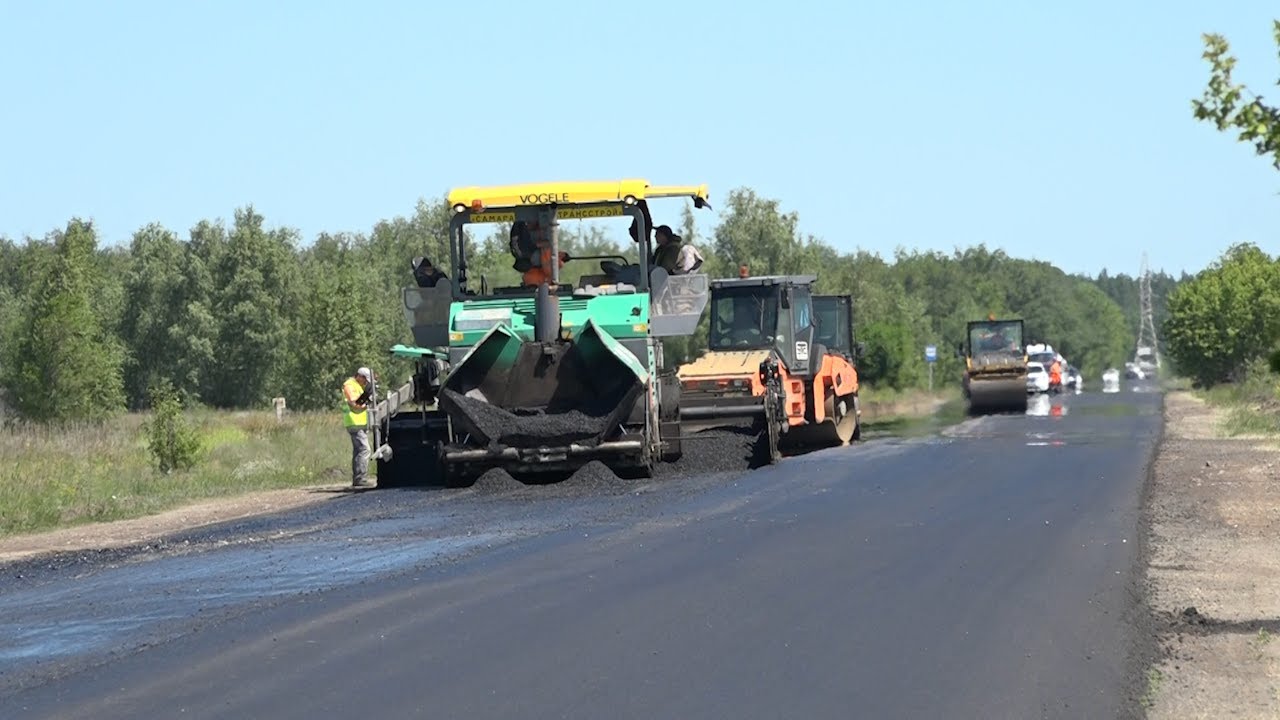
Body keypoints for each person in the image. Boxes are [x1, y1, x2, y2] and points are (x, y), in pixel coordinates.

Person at [342, 367, 374, 488]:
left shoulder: (358, 386)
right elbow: (355, 404)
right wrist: (367, 402)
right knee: (365, 449)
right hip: (354, 422)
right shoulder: (350, 385)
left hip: (358, 423)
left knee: (358, 450)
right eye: (365, 379)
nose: (365, 382)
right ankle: (360, 478)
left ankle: (358, 478)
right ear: (359, 376)